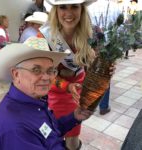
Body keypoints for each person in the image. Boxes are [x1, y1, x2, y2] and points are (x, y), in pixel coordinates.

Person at [0, 37, 93, 150]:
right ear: (16, 74)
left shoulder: (34, 100)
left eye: (50, 71)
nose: (46, 77)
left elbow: (47, 132)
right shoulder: (15, 128)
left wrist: (74, 117)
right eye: (36, 70)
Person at [37, 0, 102, 149]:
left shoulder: (92, 35)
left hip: (77, 91)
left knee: (73, 138)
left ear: (82, 9)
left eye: (74, 6)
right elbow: (41, 74)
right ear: (56, 10)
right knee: (53, 135)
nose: (69, 13)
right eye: (63, 7)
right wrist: (67, 84)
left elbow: (94, 69)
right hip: (52, 94)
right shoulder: (45, 37)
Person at [88, 0, 122, 115]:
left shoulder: (89, 7)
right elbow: (120, 29)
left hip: (92, 47)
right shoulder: (116, 7)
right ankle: (103, 106)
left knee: (92, 74)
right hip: (109, 48)